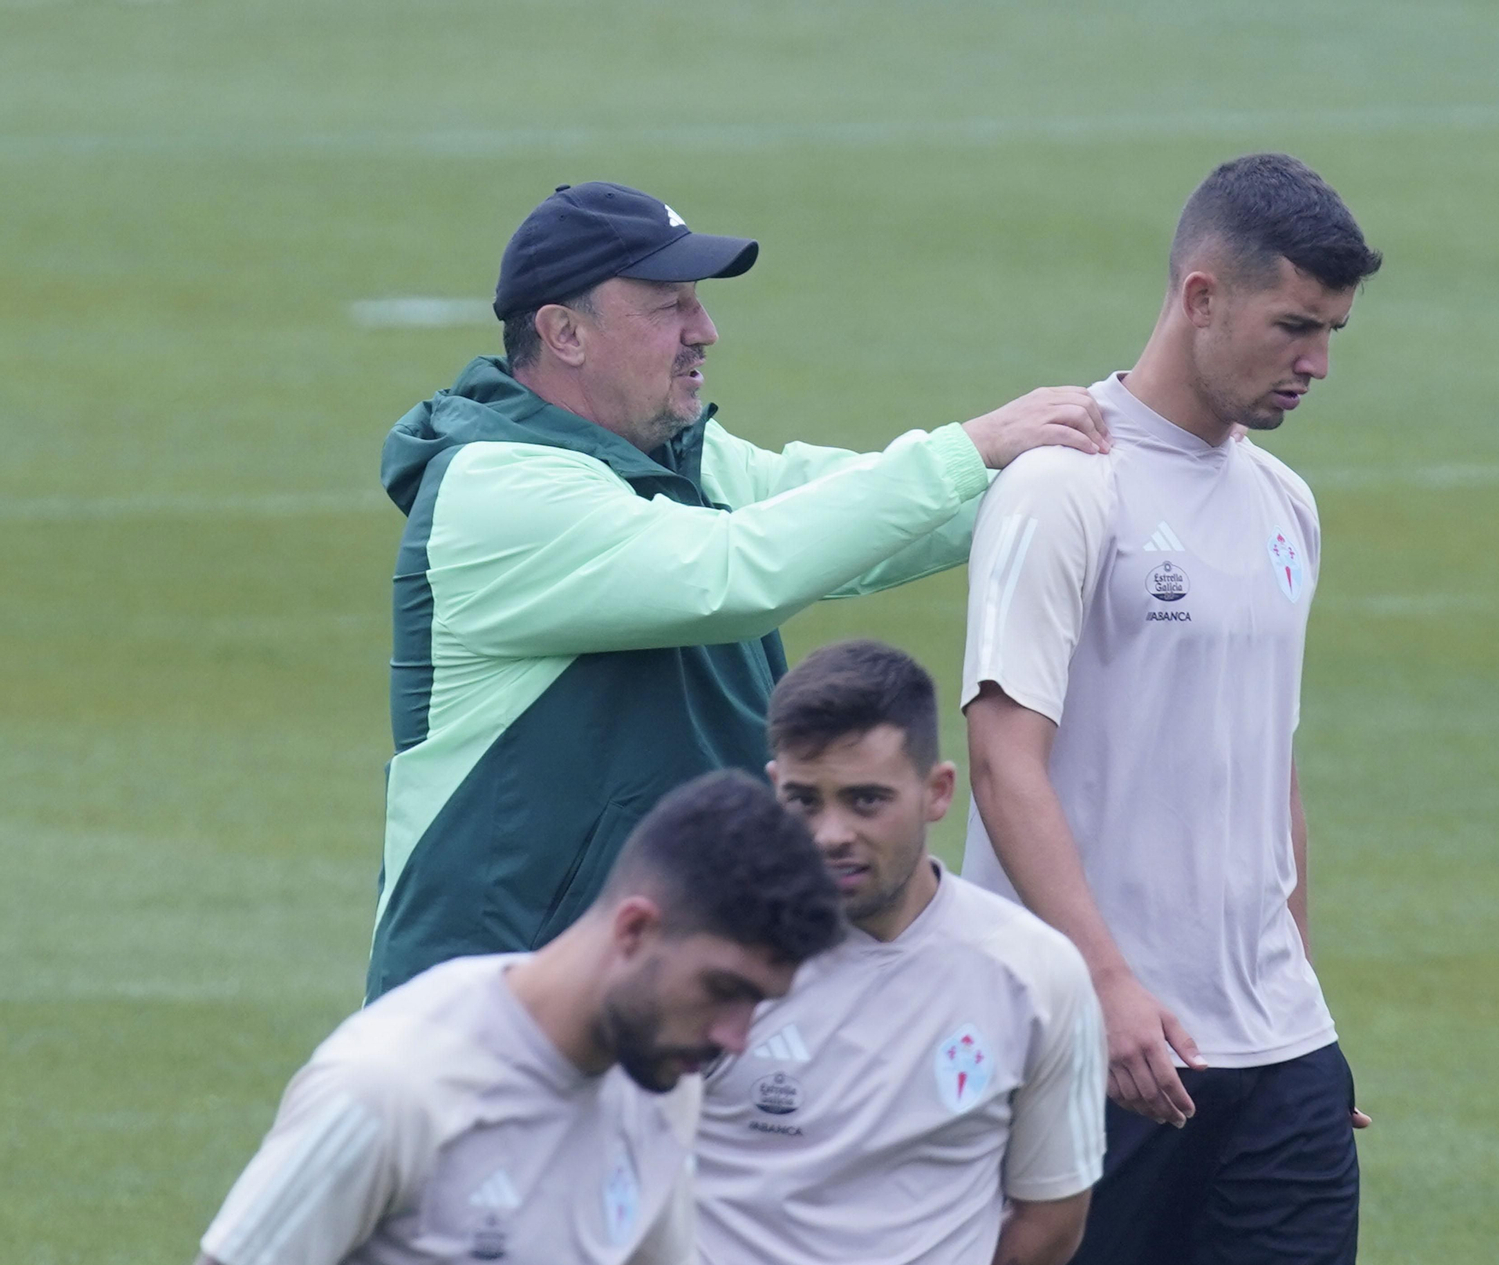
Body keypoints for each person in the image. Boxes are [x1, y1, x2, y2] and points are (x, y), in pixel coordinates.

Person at [368, 180, 1111, 1001]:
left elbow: (852, 524)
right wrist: (969, 449)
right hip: (496, 1008)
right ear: (565, 333)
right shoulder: (497, 488)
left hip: (677, 991)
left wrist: (1075, 468)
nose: (704, 330)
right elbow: (736, 571)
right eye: (668, 306)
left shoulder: (684, 456)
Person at [961, 152, 1383, 1264]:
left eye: (1332, 330)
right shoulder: (1065, 485)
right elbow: (1004, 758)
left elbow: (1266, 765)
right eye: (1295, 325)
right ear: (1202, 296)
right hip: (1103, 1045)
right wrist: (1105, 982)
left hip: (1279, 1055)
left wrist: (1299, 1001)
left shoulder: (1286, 501)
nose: (1319, 362)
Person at [195, 771, 841, 1265]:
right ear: (636, 928)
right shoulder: (390, 1085)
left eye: (759, 1002)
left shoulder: (664, 1088)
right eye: (723, 988)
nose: (735, 1037)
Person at [694, 640, 1107, 1265]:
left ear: (937, 791)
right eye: (805, 801)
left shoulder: (1033, 971)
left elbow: (1050, 1221)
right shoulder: (705, 963)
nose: (831, 835)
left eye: (866, 800)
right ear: (774, 788)